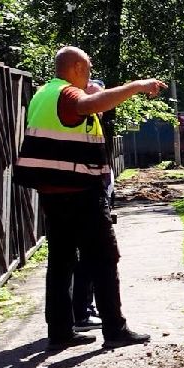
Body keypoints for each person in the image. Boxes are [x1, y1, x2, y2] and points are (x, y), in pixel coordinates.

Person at [13, 48, 163, 351]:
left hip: (54, 193)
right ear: (78, 67)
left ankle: (60, 332)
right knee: (104, 259)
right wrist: (136, 86)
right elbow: (85, 104)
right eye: (88, 68)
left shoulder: (44, 94)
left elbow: (78, 114)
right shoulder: (69, 95)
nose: (90, 74)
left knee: (61, 263)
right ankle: (115, 330)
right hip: (81, 194)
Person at [71, 79, 112, 330]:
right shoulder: (79, 123)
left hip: (95, 195)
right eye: (94, 99)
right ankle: (82, 313)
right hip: (83, 199)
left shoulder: (93, 121)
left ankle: (85, 310)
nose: (100, 106)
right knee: (87, 259)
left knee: (88, 258)